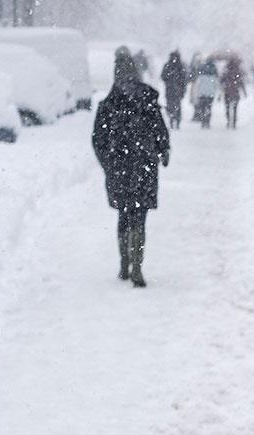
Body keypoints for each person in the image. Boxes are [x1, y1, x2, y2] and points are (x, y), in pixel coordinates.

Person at [92, 48, 169, 288]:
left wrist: (108, 163)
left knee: (125, 215)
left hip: (120, 167)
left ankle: (125, 262)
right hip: (143, 165)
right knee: (139, 216)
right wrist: (162, 150)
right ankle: (137, 265)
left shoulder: (109, 104)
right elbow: (159, 129)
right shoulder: (146, 98)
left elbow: (98, 139)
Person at [159, 50, 186, 130]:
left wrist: (169, 80)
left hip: (169, 88)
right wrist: (182, 87)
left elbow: (163, 76)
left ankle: (171, 119)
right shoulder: (180, 66)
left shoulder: (168, 65)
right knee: (177, 105)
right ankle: (177, 121)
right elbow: (184, 79)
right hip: (178, 89)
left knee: (170, 104)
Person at [190, 55, 217, 129]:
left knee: (202, 108)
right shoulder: (214, 72)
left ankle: (203, 122)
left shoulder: (202, 71)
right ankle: (207, 122)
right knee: (208, 108)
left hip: (202, 93)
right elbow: (215, 84)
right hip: (210, 93)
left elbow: (198, 83)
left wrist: (198, 92)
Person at [219, 54, 246, 129]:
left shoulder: (226, 69)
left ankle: (228, 121)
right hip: (235, 92)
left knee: (227, 107)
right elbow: (241, 82)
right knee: (235, 108)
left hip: (227, 91)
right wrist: (244, 91)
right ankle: (234, 123)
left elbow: (221, 80)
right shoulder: (238, 70)